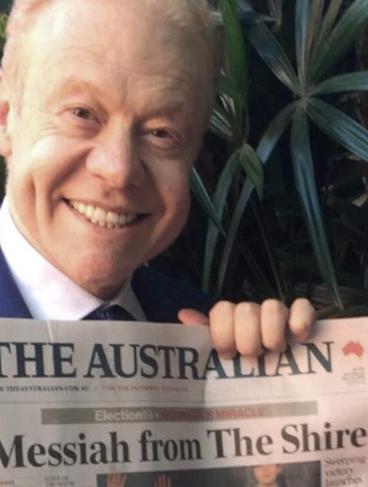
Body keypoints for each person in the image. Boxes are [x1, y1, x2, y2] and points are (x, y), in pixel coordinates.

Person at [0, 0, 313, 357]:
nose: (119, 170)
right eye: (82, 113)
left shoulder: (211, 340)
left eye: (161, 133)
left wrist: (281, 383)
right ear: (6, 118)